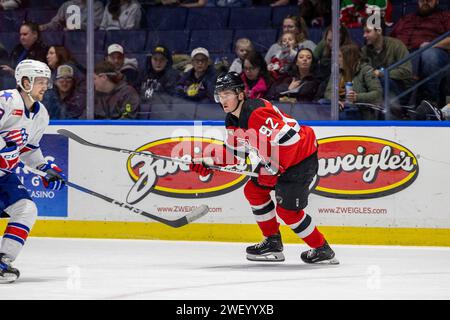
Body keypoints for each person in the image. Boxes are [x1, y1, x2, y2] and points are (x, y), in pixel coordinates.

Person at [189, 71, 339, 264]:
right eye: (220, 94)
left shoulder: (256, 113)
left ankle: (322, 249)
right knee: (253, 191)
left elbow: (291, 139)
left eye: (227, 94)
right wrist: (206, 161)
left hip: (300, 159)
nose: (222, 99)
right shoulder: (233, 119)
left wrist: (276, 165)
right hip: (278, 162)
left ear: (240, 94)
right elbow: (235, 155)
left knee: (287, 213)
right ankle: (272, 243)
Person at [0, 59, 66, 283]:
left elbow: (29, 150)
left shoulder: (41, 115)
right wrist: (3, 149)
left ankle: (3, 261)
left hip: (3, 176)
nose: (45, 86)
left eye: (46, 81)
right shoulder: (6, 100)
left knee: (26, 208)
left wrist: (45, 168)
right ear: (25, 81)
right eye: (40, 81)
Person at [390, 0, 450, 104]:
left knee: (429, 54)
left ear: (437, 1)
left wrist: (432, 45)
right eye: (422, 0)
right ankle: (398, 108)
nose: (425, 2)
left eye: (429, 0)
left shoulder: (445, 16)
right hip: (405, 56)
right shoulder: (406, 19)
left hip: (435, 55)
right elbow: (390, 41)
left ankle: (429, 102)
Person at [361, 18, 414, 106]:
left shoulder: (397, 45)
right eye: (364, 32)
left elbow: (407, 71)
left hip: (400, 90)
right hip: (375, 90)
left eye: (368, 32)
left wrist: (382, 73)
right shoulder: (364, 50)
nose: (364, 35)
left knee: (383, 80)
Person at [324, 43, 383, 119]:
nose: (337, 60)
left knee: (344, 115)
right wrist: (335, 100)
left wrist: (357, 97)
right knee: (321, 103)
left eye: (340, 56)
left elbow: (378, 94)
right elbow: (328, 91)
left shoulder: (366, 70)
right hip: (340, 107)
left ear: (348, 58)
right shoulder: (337, 71)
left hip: (359, 109)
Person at [39, 0, 104, 31]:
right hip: (69, 38)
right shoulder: (67, 5)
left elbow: (95, 25)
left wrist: (77, 26)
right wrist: (43, 27)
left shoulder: (97, 5)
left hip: (87, 38)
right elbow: (55, 23)